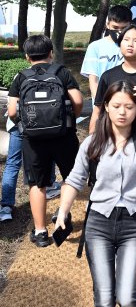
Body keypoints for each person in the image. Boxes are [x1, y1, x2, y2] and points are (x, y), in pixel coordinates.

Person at [54, 81, 136, 307]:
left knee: (128, 297)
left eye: (129, 107)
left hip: (135, 223)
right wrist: (63, 212)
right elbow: (74, 180)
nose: (122, 112)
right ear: (106, 107)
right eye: (116, 105)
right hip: (99, 223)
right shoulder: (93, 143)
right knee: (104, 298)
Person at [6, 35, 82, 246]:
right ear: (51, 53)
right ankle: (63, 214)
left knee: (37, 183)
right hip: (63, 135)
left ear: (27, 56)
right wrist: (68, 121)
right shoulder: (62, 72)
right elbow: (77, 101)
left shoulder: (20, 77)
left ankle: (40, 232)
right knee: (69, 176)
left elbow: (12, 110)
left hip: (33, 139)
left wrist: (25, 124)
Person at [81, 5, 132, 102]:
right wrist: (99, 104)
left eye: (124, 28)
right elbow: (93, 81)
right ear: (107, 24)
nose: (120, 31)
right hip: (103, 101)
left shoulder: (134, 46)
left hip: (127, 102)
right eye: (115, 27)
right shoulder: (95, 47)